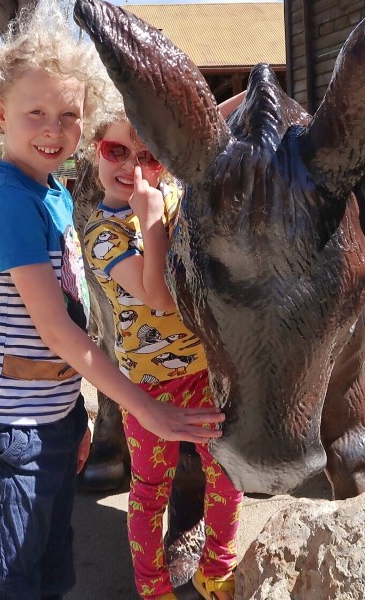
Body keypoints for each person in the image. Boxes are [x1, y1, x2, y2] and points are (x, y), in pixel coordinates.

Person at [0, 18, 225, 600]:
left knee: (50, 567)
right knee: (9, 579)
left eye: (70, 116)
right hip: (8, 421)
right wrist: (144, 407)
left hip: (47, 412)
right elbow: (55, 330)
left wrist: (73, 417)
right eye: (36, 113)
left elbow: (74, 313)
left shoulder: (50, 190)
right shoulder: (8, 201)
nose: (54, 130)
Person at [82, 114, 244, 600]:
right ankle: (152, 586)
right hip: (149, 383)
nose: (132, 167)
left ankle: (216, 567)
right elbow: (159, 299)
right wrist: (151, 221)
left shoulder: (173, 193)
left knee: (226, 474)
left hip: (205, 369)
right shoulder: (102, 234)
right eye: (117, 152)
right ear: (95, 150)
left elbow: (203, 119)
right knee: (151, 490)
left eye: (149, 155)